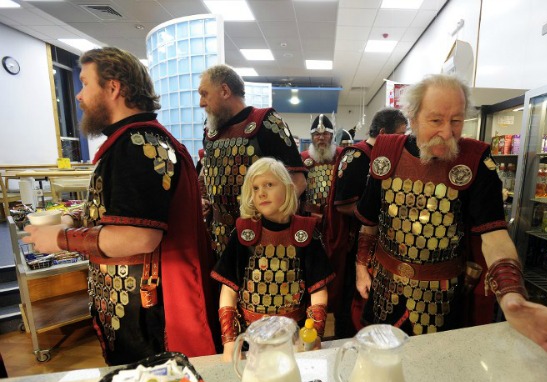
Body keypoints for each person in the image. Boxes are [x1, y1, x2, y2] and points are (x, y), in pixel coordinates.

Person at [354, 74, 547, 370]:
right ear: (413, 118)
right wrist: (361, 266)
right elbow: (370, 222)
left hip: (441, 294)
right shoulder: (386, 152)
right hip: (385, 287)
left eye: (456, 120)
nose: (447, 131)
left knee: (435, 369)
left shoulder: (476, 161)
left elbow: (494, 236)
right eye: (436, 120)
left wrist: (511, 295)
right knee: (380, 365)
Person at [23, 47, 217, 365]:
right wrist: (75, 219)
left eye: (85, 83)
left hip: (148, 315)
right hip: (141, 305)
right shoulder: (141, 142)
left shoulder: (136, 147)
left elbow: (139, 237)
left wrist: (60, 240)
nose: (78, 96)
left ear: (113, 87)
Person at [212, 158, 332, 361]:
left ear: (287, 188)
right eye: (256, 187)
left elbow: (318, 290)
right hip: (250, 336)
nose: (262, 192)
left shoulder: (306, 233)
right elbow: (229, 290)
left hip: (294, 335)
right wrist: (230, 340)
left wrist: (316, 334)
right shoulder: (243, 233)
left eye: (269, 184)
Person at [198, 65, 307, 258]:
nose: (201, 103)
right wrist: (205, 198)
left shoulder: (266, 123)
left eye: (204, 94)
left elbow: (297, 182)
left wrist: (269, 221)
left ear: (224, 91)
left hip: (263, 238)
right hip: (220, 237)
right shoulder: (211, 133)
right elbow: (210, 174)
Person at [323, 108, 408, 338]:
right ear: (383, 133)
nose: (404, 139)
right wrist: (379, 213)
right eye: (400, 134)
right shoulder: (358, 155)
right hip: (354, 244)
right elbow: (341, 204)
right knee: (350, 300)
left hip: (378, 243)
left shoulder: (386, 156)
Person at [300, 114, 342, 220]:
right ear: (312, 137)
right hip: (310, 216)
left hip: (337, 216)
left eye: (326, 134)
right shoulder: (303, 158)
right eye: (317, 134)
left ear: (332, 136)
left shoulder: (341, 156)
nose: (321, 138)